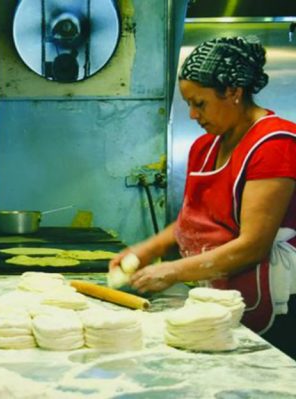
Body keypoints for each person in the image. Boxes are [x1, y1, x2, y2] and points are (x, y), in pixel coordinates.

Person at [109, 37, 296, 358]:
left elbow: (254, 245)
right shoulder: (205, 147)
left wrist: (172, 271)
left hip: (271, 303)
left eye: (200, 103)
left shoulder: (275, 144)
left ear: (234, 93)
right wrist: (148, 249)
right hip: (213, 294)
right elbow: (191, 222)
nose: (193, 115)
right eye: (188, 105)